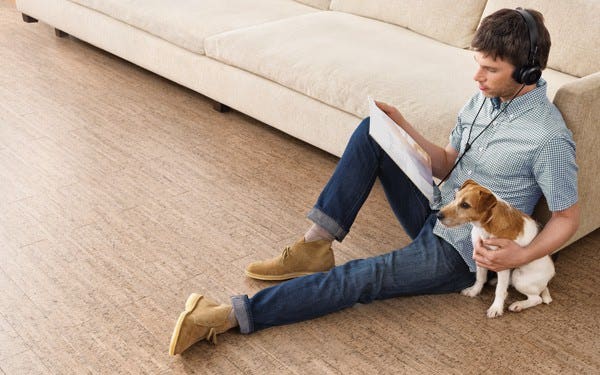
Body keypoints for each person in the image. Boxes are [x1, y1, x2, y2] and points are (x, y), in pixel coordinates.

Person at [169, 8, 580, 356]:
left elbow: (566, 216)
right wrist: (404, 130)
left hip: (461, 252)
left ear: (527, 70)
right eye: (478, 64)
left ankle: (226, 317)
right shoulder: (485, 99)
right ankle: (314, 246)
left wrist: (517, 258)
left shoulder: (547, 137)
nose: (478, 77)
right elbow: (450, 162)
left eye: (490, 69)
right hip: (440, 206)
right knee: (372, 130)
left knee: (362, 278)